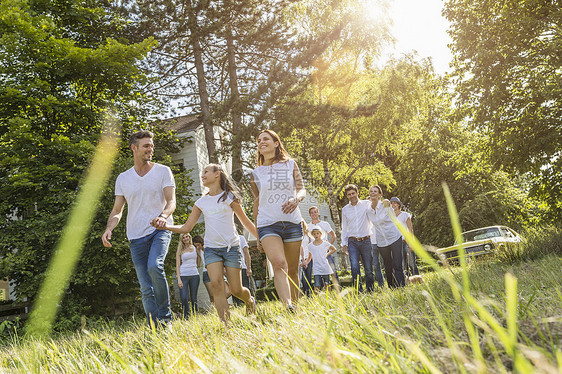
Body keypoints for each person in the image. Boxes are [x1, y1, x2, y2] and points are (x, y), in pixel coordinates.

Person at [154, 164, 257, 322]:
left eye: (206, 172)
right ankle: (226, 325)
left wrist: (261, 237)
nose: (202, 175)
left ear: (217, 174)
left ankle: (249, 301)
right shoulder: (201, 202)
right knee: (216, 285)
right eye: (202, 172)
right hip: (212, 249)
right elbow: (187, 227)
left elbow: (245, 222)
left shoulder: (229, 197)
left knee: (236, 289)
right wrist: (165, 225)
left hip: (231, 248)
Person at [102, 130, 175, 327]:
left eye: (151, 145)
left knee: (155, 266)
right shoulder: (123, 178)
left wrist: (163, 217)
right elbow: (117, 210)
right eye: (146, 146)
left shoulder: (163, 171)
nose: (151, 149)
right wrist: (109, 228)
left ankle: (166, 319)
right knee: (145, 286)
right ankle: (154, 327)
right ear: (134, 148)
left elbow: (171, 202)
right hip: (135, 236)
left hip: (160, 229)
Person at [250, 129, 305, 311]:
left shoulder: (290, 164)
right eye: (259, 140)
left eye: (266, 139)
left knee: (293, 270)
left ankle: (295, 308)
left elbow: (301, 189)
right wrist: (257, 234)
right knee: (279, 264)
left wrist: (296, 199)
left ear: (276, 143)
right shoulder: (255, 173)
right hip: (267, 224)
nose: (261, 142)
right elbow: (256, 203)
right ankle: (287, 305)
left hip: (292, 222)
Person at [368, 186, 405, 288]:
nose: (373, 193)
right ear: (369, 194)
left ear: (380, 195)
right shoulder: (368, 210)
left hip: (394, 237)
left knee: (397, 265)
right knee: (388, 266)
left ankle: (401, 287)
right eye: (371, 191)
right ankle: (392, 288)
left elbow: (393, 217)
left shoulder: (385, 205)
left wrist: (388, 203)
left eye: (375, 191)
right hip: (381, 242)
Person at [341, 184, 375, 292]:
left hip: (366, 240)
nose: (351, 196)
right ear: (347, 196)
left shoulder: (366, 204)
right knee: (355, 267)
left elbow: (376, 210)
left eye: (353, 193)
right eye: (349, 194)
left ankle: (370, 289)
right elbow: (344, 227)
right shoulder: (345, 209)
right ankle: (358, 290)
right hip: (352, 242)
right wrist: (344, 244)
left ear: (357, 193)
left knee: (368, 268)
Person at [307, 207, 340, 290]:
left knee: (333, 272)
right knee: (317, 275)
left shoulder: (325, 224)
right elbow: (308, 241)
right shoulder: (308, 226)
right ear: (310, 215)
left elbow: (333, 236)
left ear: (318, 213)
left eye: (315, 212)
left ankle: (338, 291)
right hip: (315, 255)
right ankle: (322, 294)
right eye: (312, 213)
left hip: (325, 253)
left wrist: (326, 247)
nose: (314, 214)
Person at [390, 197, 419, 276]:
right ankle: (407, 281)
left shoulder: (405, 215)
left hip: (406, 241)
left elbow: (410, 229)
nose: (393, 205)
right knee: (402, 265)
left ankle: (417, 280)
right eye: (391, 203)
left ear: (399, 204)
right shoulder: (390, 218)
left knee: (411, 263)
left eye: (395, 203)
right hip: (396, 243)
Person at [176, 233, 201, 318]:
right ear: (182, 240)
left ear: (190, 237)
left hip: (194, 275)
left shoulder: (195, 247)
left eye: (187, 236)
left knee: (194, 298)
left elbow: (199, 261)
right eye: (183, 238)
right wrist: (179, 279)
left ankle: (195, 316)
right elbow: (178, 265)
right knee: (184, 298)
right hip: (183, 275)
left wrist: (198, 255)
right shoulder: (180, 250)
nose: (186, 238)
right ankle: (186, 316)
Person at [307, 228, 337, 292]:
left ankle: (328, 298)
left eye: (317, 233)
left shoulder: (325, 243)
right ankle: (316, 300)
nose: (316, 235)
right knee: (317, 284)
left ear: (320, 234)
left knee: (327, 283)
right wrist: (305, 263)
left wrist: (327, 254)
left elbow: (334, 249)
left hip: (325, 266)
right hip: (316, 268)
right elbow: (309, 257)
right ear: (312, 235)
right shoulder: (310, 246)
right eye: (314, 234)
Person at [233, 234, 252, 306]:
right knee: (234, 289)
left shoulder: (241, 238)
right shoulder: (224, 238)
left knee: (246, 287)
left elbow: (246, 253)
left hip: (242, 267)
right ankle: (238, 305)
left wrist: (249, 268)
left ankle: (249, 303)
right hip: (231, 268)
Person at [300, 221, 313, 296]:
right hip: (300, 259)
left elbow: (310, 246)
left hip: (308, 258)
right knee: (304, 279)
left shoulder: (308, 234)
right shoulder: (297, 234)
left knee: (309, 278)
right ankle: (307, 294)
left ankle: (310, 296)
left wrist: (308, 260)